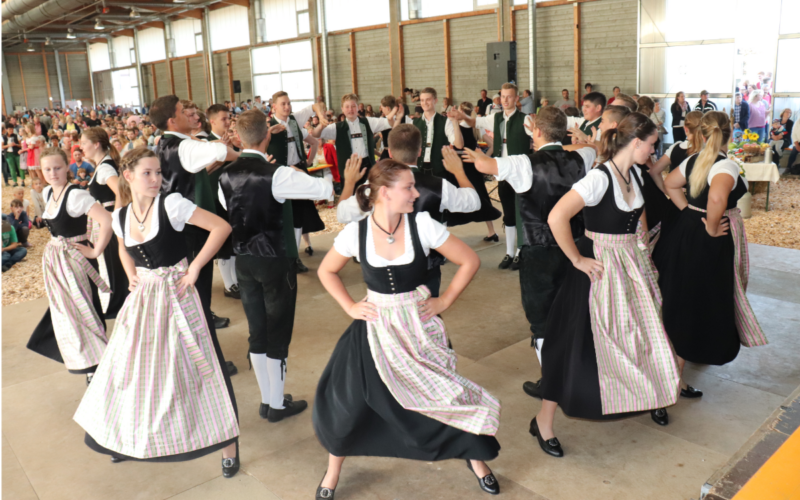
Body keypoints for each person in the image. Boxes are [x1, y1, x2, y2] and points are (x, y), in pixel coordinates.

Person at [313, 159, 502, 499]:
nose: (416, 193)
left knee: (444, 395)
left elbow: (469, 260)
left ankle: (477, 460)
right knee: (349, 403)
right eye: (409, 187)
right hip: (373, 329)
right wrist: (350, 306)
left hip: (417, 329)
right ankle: (332, 472)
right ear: (384, 193)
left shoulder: (423, 224)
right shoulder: (356, 232)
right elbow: (326, 272)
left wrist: (445, 301)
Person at [73, 147, 240, 475]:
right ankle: (122, 437)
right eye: (147, 173)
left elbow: (221, 227)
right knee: (131, 369)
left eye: (158, 173)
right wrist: (132, 275)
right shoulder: (120, 216)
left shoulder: (172, 204)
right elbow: (122, 248)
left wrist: (194, 269)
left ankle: (228, 447)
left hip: (178, 295)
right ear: (128, 176)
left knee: (202, 368)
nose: (155, 179)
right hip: (146, 297)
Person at [532, 113, 682, 458]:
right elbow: (557, 216)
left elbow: (639, 217)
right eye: (650, 143)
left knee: (640, 335)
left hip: (628, 267)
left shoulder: (634, 173)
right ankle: (544, 421)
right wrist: (577, 259)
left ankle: (648, 393)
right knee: (572, 346)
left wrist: (640, 244)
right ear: (635, 143)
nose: (653, 149)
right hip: (596, 270)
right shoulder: (600, 178)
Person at [463, 107, 597, 402]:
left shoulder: (523, 162)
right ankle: (576, 370)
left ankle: (551, 381)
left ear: (535, 130)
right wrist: (570, 142)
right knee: (572, 310)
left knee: (541, 318)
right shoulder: (582, 158)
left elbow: (486, 167)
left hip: (540, 251)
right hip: (576, 245)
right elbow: (590, 147)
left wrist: (471, 157)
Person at [218, 109, 333, 427]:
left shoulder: (224, 175)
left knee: (258, 331)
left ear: (239, 138)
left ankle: (268, 400)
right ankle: (275, 404)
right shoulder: (278, 174)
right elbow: (324, 191)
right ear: (267, 134)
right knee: (278, 332)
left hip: (244, 260)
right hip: (273, 259)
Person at [653, 111, 767, 395]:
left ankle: (670, 374)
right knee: (698, 299)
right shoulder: (726, 166)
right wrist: (712, 226)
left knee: (680, 295)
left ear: (702, 135)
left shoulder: (693, 159)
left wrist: (690, 212)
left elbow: (670, 184)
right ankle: (672, 381)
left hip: (687, 232)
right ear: (730, 134)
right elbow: (717, 198)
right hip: (708, 237)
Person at [337, 125, 480, 297]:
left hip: (381, 273)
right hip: (427, 269)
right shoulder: (439, 185)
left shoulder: (372, 189)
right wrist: (458, 171)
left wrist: (349, 183)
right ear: (420, 151)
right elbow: (473, 202)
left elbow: (342, 214)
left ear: (389, 153)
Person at [150, 95, 240, 336]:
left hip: (176, 224)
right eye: (183, 111)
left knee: (193, 292)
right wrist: (247, 155)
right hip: (191, 227)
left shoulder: (164, 143)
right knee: (198, 291)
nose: (192, 115)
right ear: (172, 120)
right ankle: (207, 356)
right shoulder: (185, 146)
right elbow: (221, 151)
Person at [27, 148, 113, 385]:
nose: (53, 173)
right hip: (57, 258)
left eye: (57, 168)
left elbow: (107, 220)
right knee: (67, 309)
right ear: (41, 171)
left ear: (67, 167)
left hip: (76, 258)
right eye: (47, 169)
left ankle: (97, 365)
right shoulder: (46, 192)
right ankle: (86, 360)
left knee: (86, 307)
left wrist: (96, 251)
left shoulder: (76, 196)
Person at [460, 82, 534, 270]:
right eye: (503, 96)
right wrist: (462, 117)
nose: (506, 100)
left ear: (517, 99)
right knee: (508, 214)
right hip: (502, 173)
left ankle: (520, 252)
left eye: (510, 96)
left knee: (521, 213)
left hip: (520, 174)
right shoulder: (496, 117)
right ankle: (509, 252)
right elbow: (473, 122)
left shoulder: (525, 119)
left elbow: (537, 137)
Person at [267, 91, 326, 273]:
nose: (287, 107)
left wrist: (322, 117)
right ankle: (280, 256)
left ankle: (295, 257)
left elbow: (314, 108)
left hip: (298, 172)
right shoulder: (267, 125)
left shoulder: (295, 120)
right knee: (280, 217)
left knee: (298, 217)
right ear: (274, 107)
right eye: (283, 104)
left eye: (289, 103)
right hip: (280, 176)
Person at [80, 128, 130, 319]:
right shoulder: (102, 165)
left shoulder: (105, 168)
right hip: (109, 219)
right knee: (113, 262)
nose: (82, 147)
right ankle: (119, 303)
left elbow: (121, 190)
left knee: (115, 262)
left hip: (110, 220)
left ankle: (120, 304)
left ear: (96, 144)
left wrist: (115, 216)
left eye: (84, 143)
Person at [311, 94, 396, 187]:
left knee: (369, 196)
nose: (350, 109)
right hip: (348, 168)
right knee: (349, 198)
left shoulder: (369, 122)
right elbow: (315, 134)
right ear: (342, 109)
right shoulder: (336, 127)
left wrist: (395, 111)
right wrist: (321, 124)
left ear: (358, 108)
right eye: (347, 107)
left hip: (367, 166)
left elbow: (389, 123)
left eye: (353, 106)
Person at [205, 104, 240, 299]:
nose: (228, 122)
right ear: (212, 121)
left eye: (229, 118)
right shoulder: (206, 143)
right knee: (224, 243)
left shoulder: (230, 142)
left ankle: (235, 280)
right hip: (215, 199)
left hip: (231, 197)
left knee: (233, 240)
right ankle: (229, 284)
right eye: (224, 119)